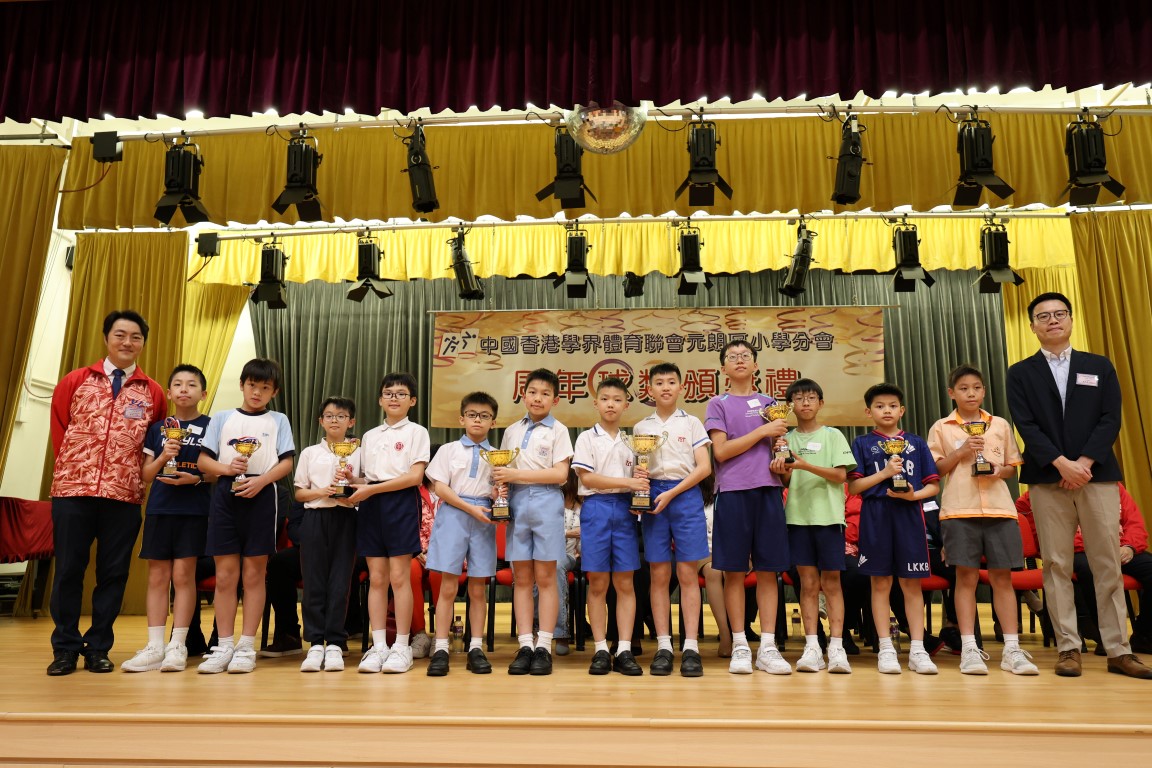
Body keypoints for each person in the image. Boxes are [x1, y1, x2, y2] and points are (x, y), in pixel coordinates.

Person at [1006, 292, 1151, 679]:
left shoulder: (1098, 366)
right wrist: (1060, 464)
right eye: (1043, 316)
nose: (1052, 320)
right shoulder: (1020, 372)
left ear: (1071, 320)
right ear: (1032, 326)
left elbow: (1110, 418)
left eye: (1059, 314)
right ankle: (1068, 648)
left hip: (1096, 475)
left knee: (1107, 562)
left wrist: (1083, 463)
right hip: (1047, 477)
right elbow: (1026, 425)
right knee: (1056, 564)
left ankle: (1118, 650)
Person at [47, 310, 168, 676]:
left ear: (143, 344)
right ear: (106, 338)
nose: (127, 342)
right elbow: (60, 429)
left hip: (123, 495)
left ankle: (99, 647)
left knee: (113, 574)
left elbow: (154, 442)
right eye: (120, 335)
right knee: (68, 570)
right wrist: (76, 469)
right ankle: (65, 648)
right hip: (73, 491)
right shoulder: (76, 380)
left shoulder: (152, 391)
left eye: (135, 337)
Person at [927, 365, 1037, 676]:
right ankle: (969, 648)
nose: (971, 393)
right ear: (952, 393)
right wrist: (962, 452)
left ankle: (1012, 649)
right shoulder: (942, 427)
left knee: (1003, 579)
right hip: (959, 511)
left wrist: (998, 469)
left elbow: (1012, 467)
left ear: (984, 391)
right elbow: (936, 470)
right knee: (966, 579)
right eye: (963, 388)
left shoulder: (999, 424)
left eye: (976, 387)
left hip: (1000, 510)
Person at [195, 358, 295, 674]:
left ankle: (246, 646)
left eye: (265, 388)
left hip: (263, 495)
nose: (257, 392)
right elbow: (203, 461)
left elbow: (286, 462)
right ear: (242, 385)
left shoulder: (279, 420)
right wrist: (226, 469)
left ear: (274, 392)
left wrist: (262, 481)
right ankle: (224, 645)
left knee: (254, 574)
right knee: (225, 575)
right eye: (252, 385)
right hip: (226, 495)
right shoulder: (222, 418)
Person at [705, 341, 790, 676]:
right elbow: (721, 452)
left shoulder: (771, 404)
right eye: (732, 357)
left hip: (769, 491)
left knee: (768, 571)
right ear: (723, 368)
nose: (739, 361)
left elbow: (778, 450)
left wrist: (782, 458)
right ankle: (740, 644)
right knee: (734, 571)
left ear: (755, 365)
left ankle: (767, 646)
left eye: (745, 356)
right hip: (733, 492)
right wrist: (763, 431)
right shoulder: (718, 403)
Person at [121, 365, 214, 673]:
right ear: (170, 393)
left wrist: (197, 479)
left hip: (194, 511)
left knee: (184, 577)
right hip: (160, 510)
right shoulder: (157, 428)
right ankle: (155, 646)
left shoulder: (212, 426)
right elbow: (146, 474)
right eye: (178, 384)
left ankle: (178, 645)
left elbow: (219, 473)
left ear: (203, 393)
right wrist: (164, 456)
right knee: (157, 577)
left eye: (192, 384)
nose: (184, 389)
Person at [846, 383, 941, 675]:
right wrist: (885, 473)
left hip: (909, 517)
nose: (886, 411)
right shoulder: (862, 443)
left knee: (911, 584)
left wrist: (913, 496)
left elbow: (933, 486)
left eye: (891, 406)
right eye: (879, 406)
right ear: (868, 412)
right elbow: (854, 487)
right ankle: (886, 647)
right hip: (875, 516)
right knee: (880, 583)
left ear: (902, 410)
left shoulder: (916, 443)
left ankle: (918, 648)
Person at [769, 377, 856, 674]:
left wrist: (805, 465)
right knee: (807, 584)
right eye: (798, 399)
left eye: (810, 398)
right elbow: (785, 480)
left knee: (831, 583)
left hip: (829, 518)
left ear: (821, 403)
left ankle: (837, 646)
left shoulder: (833, 435)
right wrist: (781, 469)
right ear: (790, 406)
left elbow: (841, 476)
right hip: (797, 519)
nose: (805, 403)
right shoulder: (785, 439)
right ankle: (812, 647)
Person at [491, 368, 573, 676]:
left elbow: (560, 474)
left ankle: (544, 645)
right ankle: (525, 644)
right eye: (533, 392)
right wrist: (500, 487)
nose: (538, 398)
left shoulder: (559, 430)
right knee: (522, 578)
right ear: (523, 395)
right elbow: (502, 470)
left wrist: (515, 474)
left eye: (545, 393)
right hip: (516, 503)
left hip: (547, 501)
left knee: (547, 577)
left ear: (555, 399)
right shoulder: (512, 430)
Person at [347, 372, 430, 674]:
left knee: (399, 577)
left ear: (412, 400)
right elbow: (368, 479)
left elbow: (415, 477)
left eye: (401, 393)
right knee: (377, 578)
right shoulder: (369, 436)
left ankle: (402, 646)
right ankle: (379, 645)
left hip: (401, 503)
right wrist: (352, 481)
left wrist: (370, 489)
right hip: (372, 506)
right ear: (380, 399)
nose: (394, 398)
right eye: (389, 393)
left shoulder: (417, 432)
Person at [636, 362, 711, 677]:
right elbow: (639, 469)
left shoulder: (692, 423)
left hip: (686, 495)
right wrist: (641, 490)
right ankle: (664, 646)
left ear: (682, 387)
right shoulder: (641, 427)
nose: (665, 387)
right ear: (649, 390)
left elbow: (704, 468)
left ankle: (691, 647)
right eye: (659, 382)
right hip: (654, 497)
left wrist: (673, 493)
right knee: (659, 574)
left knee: (688, 573)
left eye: (671, 382)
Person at [1018, 484, 1152, 655]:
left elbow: (1134, 523)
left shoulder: (1111, 485)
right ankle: (1106, 637)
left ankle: (1144, 635)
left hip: (1119, 547)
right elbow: (1044, 538)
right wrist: (1096, 546)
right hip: (1075, 552)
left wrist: (1129, 546)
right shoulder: (1038, 494)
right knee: (1091, 570)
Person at [572, 377, 645, 676]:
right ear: (596, 403)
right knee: (598, 583)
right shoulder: (586, 438)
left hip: (625, 510)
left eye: (617, 399)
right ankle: (601, 649)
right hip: (596, 509)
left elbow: (640, 481)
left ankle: (624, 648)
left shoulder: (633, 442)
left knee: (625, 583)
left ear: (626, 405)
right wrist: (629, 483)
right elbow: (588, 479)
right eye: (605, 399)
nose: (611, 404)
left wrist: (638, 490)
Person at [423, 393, 500, 676]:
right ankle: (441, 648)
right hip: (454, 515)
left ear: (493, 422)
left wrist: (497, 496)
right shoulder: (448, 450)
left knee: (478, 588)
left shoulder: (498, 455)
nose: (477, 420)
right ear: (461, 418)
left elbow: (498, 491)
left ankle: (476, 647)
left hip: (484, 518)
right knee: (448, 586)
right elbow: (440, 488)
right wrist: (470, 509)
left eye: (484, 416)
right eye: (472, 414)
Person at [293, 397, 361, 672]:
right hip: (315, 518)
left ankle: (335, 642)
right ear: (321, 421)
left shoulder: (358, 452)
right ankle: (315, 643)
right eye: (330, 416)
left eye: (341, 416)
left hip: (346, 519)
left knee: (340, 582)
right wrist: (323, 491)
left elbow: (365, 487)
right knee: (314, 581)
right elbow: (300, 493)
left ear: (351, 422)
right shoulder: (310, 453)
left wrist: (350, 492)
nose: (335, 420)